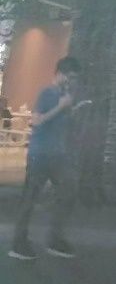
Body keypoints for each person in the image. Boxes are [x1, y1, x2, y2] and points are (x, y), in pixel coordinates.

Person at [8, 56, 84, 261]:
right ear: (59, 74)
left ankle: (55, 238)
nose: (72, 82)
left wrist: (71, 111)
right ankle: (18, 243)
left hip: (57, 155)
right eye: (70, 77)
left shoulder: (64, 96)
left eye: (75, 78)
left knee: (69, 190)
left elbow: (62, 124)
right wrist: (60, 107)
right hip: (40, 155)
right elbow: (37, 121)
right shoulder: (47, 93)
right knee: (30, 198)